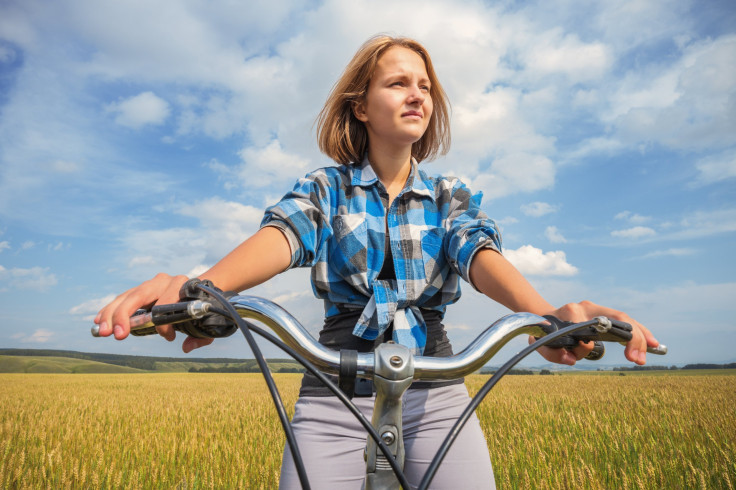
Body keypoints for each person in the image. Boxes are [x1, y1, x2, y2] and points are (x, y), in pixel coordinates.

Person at [95, 35, 660, 489]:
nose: (418, 94)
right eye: (398, 83)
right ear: (361, 107)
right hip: (334, 386)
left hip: (438, 392)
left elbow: (477, 252)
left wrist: (547, 317)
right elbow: (287, 232)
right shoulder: (326, 187)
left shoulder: (450, 195)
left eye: (425, 86)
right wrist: (201, 290)